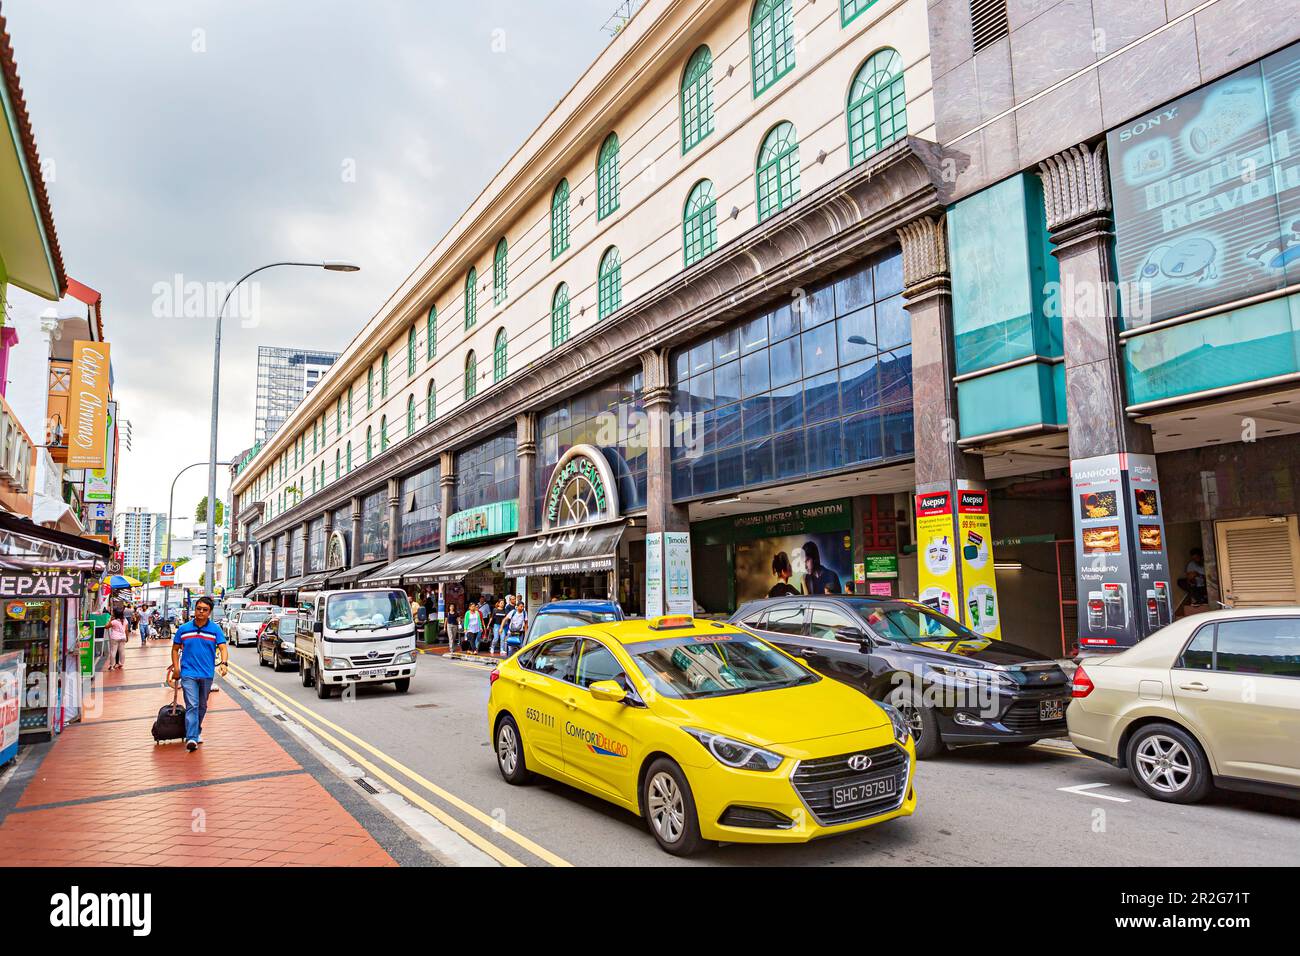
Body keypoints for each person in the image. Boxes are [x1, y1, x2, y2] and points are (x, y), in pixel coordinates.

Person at [169, 595, 229, 752]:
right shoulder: (183, 629)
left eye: (205, 610)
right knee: (192, 705)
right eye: (198, 609)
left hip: (207, 674)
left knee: (202, 705)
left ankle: (196, 730)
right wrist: (176, 668)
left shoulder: (215, 629)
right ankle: (192, 738)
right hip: (188, 673)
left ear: (209, 612)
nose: (201, 612)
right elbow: (175, 649)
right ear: (194, 609)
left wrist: (224, 663)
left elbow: (223, 647)